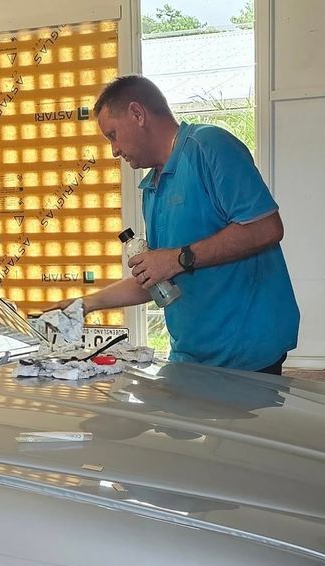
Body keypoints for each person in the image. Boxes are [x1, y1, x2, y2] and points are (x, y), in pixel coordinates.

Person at [73, 74, 300, 374]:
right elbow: (159, 276)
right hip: (191, 356)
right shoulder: (151, 190)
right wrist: (84, 304)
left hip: (245, 354)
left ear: (137, 114)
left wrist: (178, 258)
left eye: (113, 135)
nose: (114, 150)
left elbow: (267, 228)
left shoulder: (209, 147)